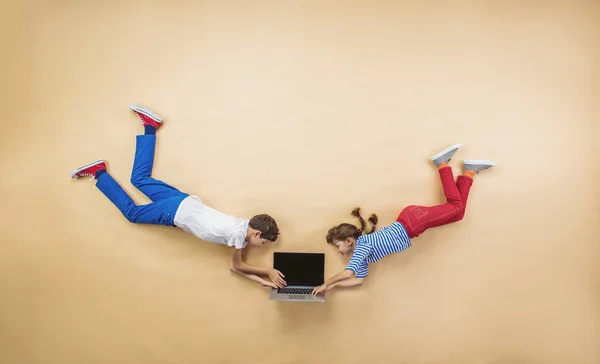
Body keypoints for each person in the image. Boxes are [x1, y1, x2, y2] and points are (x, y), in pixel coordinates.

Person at [70, 104, 286, 289]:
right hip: (175, 212)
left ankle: (150, 127)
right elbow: (238, 265)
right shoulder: (238, 236)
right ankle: (100, 173)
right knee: (133, 214)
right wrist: (268, 271)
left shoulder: (240, 227)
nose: (261, 247)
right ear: (257, 233)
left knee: (140, 179)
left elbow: (233, 267)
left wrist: (261, 281)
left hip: (184, 201)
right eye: (263, 243)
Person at [312, 144, 496, 296]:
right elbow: (358, 280)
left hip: (414, 221)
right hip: (412, 221)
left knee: (456, 207)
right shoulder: (362, 254)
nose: (337, 250)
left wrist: (326, 282)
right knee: (459, 214)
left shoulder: (361, 247)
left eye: (337, 245)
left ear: (349, 241)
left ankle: (442, 165)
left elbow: (348, 273)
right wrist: (332, 286)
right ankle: (469, 173)